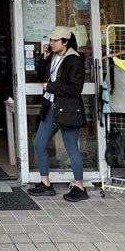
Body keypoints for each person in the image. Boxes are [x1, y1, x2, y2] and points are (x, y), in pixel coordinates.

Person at [29, 26, 87, 201]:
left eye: (55, 40)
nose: (51, 43)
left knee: (71, 149)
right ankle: (45, 183)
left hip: (68, 110)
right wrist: (44, 58)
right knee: (39, 143)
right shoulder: (53, 57)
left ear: (65, 42)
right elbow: (40, 75)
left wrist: (50, 87)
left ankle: (79, 187)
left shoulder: (74, 60)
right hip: (51, 108)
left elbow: (75, 88)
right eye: (51, 40)